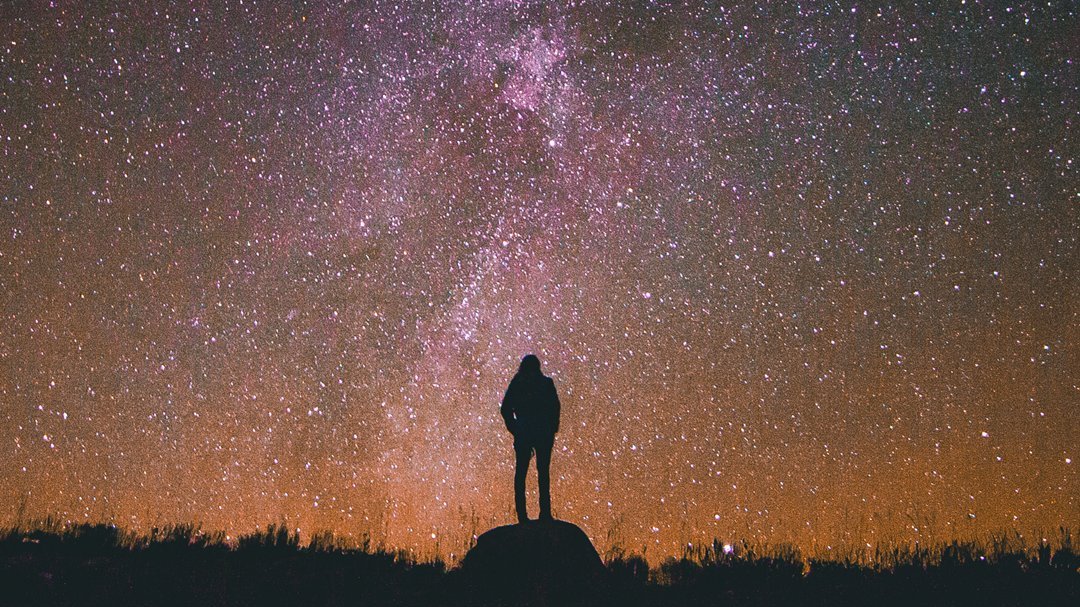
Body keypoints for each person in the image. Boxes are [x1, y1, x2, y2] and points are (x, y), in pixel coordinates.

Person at [500, 354, 561, 523]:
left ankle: (524, 517)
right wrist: (551, 429)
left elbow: (505, 409)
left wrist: (515, 428)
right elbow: (555, 408)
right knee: (541, 473)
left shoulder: (518, 384)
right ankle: (544, 514)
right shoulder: (545, 383)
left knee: (522, 474)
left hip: (528, 432)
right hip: (540, 433)